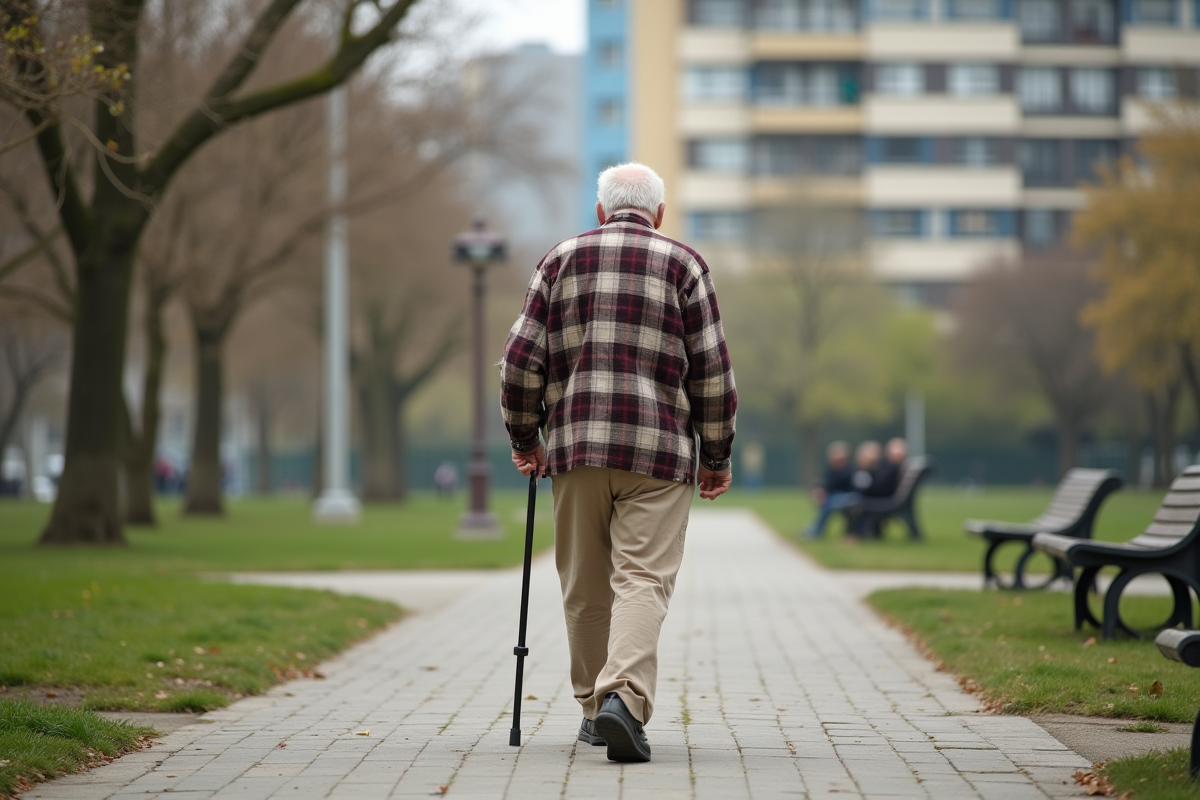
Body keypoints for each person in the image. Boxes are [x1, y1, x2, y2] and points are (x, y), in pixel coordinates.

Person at [499, 162, 737, 764]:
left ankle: (592, 711)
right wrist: (716, 455)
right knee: (643, 579)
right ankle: (622, 702)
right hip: (657, 454)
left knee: (584, 586)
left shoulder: (559, 260)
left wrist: (526, 438)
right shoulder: (684, 264)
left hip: (576, 449)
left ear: (601, 211)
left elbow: (520, 361)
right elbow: (712, 372)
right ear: (658, 214)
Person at [803, 441, 855, 538]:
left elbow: (838, 485)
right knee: (828, 500)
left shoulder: (849, 469)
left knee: (829, 502)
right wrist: (818, 490)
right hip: (834, 496)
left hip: (848, 496)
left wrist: (824, 492)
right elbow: (825, 483)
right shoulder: (832, 469)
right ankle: (816, 528)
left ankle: (817, 530)